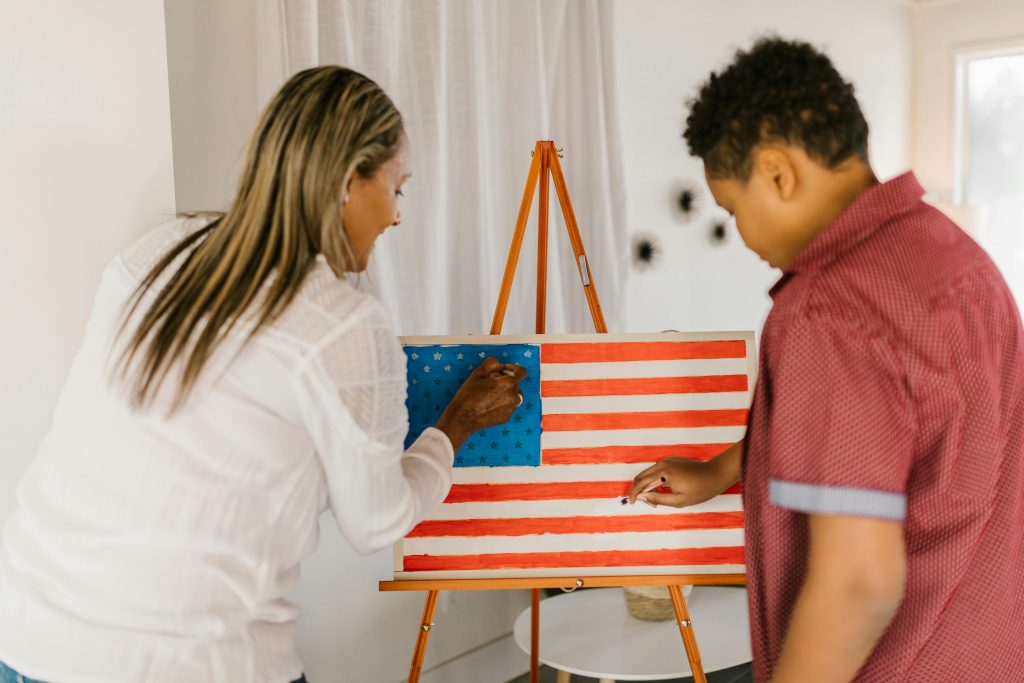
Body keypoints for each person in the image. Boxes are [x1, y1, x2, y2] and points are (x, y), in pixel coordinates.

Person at [0, 66, 526, 683]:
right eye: (397, 189)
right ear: (347, 181)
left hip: (30, 636)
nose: (397, 216)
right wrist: (455, 425)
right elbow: (375, 520)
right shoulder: (342, 324)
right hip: (190, 663)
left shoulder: (156, 250)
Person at [628, 37, 1024, 682]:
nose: (745, 239)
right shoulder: (957, 257)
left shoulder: (828, 310)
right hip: (991, 642)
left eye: (734, 211)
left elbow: (857, 584)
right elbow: (913, 436)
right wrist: (726, 468)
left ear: (779, 173)